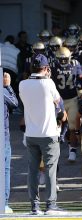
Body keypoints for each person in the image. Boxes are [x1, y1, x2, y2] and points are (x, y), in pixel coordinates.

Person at [19, 54, 64, 215]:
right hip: (49, 133)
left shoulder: (22, 84)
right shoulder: (48, 83)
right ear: (45, 68)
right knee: (50, 169)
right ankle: (51, 205)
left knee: (33, 170)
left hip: (31, 133)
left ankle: (34, 206)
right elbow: (58, 102)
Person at [3, 72, 18, 213]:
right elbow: (15, 103)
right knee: (5, 170)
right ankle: (4, 203)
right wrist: (8, 87)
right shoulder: (3, 92)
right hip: (3, 137)